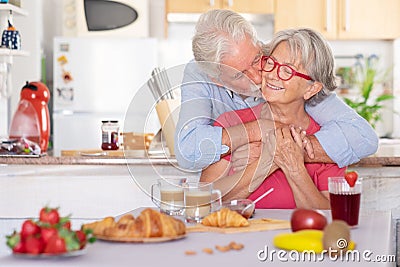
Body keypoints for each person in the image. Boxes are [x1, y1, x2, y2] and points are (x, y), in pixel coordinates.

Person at [174, 9, 378, 172]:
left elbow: (362, 136)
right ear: (215, 80)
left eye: (257, 59)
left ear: (257, 43)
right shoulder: (199, 73)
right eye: (239, 75)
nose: (258, 76)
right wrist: (257, 129)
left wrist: (275, 150)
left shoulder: (281, 63)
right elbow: (187, 150)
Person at [201, 28, 345, 209]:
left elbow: (328, 218)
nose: (271, 74)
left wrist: (294, 167)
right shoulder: (232, 123)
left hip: (297, 237)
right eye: (271, 63)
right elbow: (203, 200)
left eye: (287, 71)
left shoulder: (326, 141)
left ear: (311, 89)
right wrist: (268, 159)